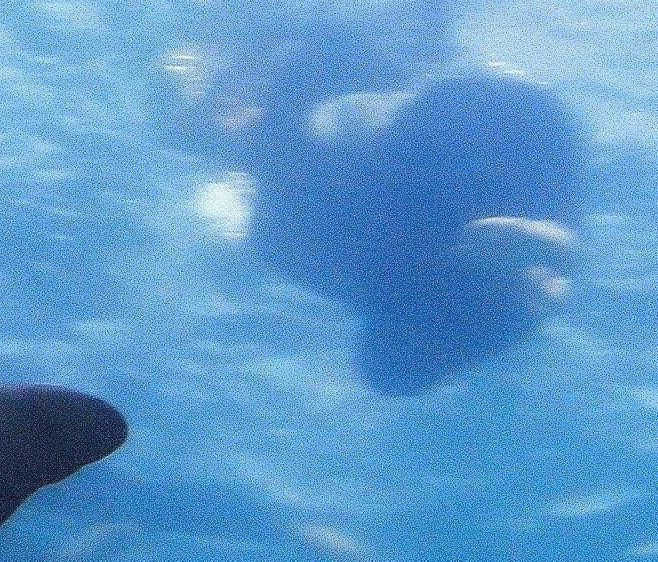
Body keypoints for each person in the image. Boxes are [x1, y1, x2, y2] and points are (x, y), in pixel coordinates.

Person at [179, 26, 586, 397]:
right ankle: (536, 263)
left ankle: (538, 261)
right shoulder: (288, 236)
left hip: (476, 153)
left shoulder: (299, 235)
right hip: (469, 179)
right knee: (383, 366)